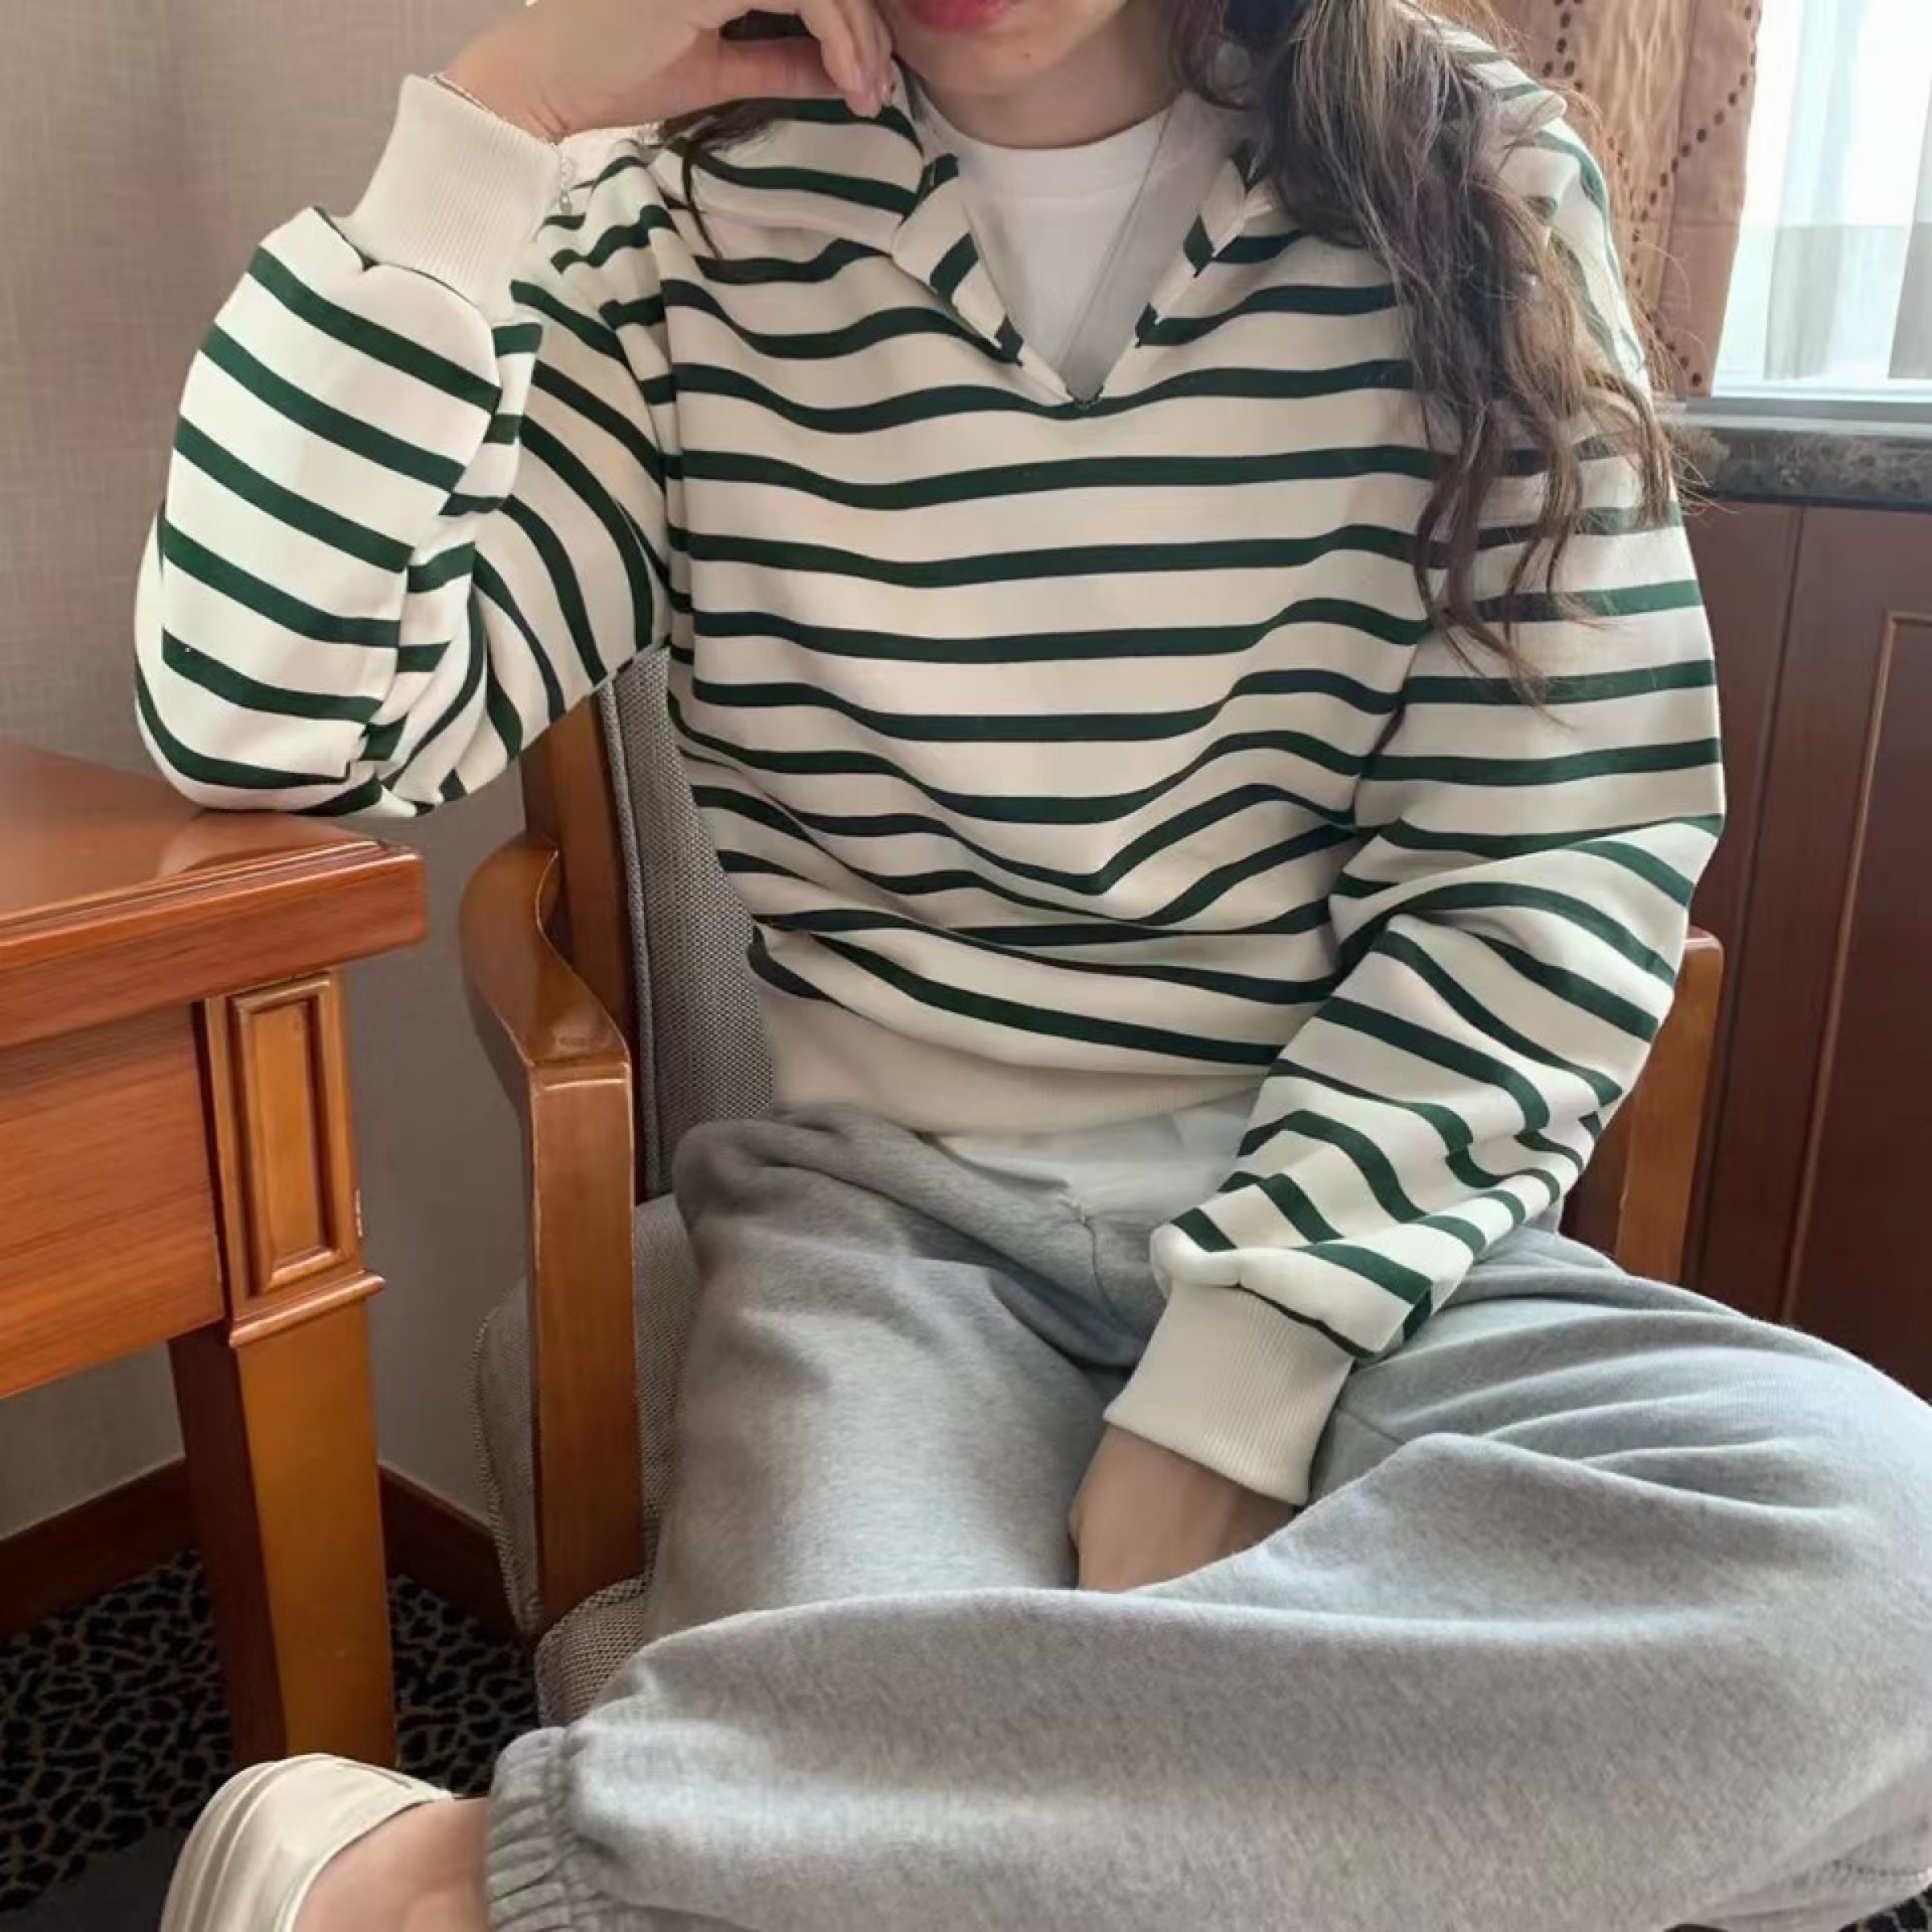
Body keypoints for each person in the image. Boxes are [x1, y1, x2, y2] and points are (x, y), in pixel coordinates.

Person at [141, 0, 1932, 1922]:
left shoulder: (1465, 170)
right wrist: (502, 119)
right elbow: (270, 728)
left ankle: (450, 1884)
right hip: (888, 1231)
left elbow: (1544, 856)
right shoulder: (667, 237)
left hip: (1386, 1240)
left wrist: (1233, 1383)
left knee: (1884, 1591)